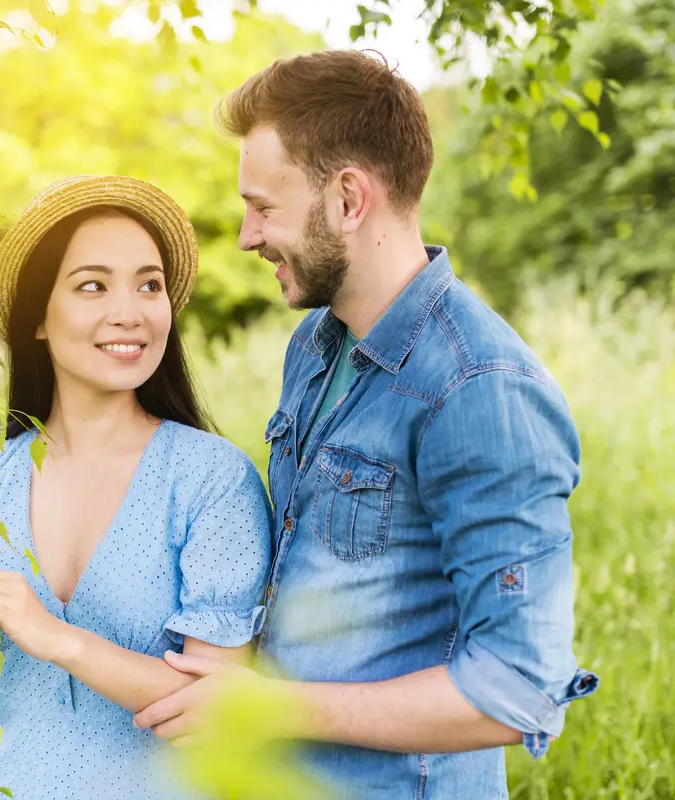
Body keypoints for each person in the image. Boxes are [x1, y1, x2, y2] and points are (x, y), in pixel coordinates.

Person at [130, 50, 599, 798]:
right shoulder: (314, 347)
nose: (247, 236)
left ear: (350, 199)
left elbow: (519, 687)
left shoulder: (479, 388)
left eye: (265, 207)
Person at [0, 175, 273, 800]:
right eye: (93, 285)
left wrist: (55, 637)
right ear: (37, 319)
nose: (131, 311)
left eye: (149, 285)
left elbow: (219, 710)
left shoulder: (212, 480)